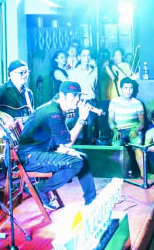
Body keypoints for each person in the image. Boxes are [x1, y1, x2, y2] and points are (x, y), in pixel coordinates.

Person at [17, 81, 96, 209]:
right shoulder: (53, 113)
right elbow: (68, 142)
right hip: (30, 158)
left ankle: (91, 200)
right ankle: (39, 189)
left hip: (42, 151)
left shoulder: (56, 107)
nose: (77, 99)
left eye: (79, 95)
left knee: (83, 157)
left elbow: (58, 139)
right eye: (74, 95)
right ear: (62, 95)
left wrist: (64, 150)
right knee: (76, 162)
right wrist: (82, 119)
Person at [108, 78, 146, 178]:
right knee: (117, 148)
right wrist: (115, 130)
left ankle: (143, 175)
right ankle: (122, 175)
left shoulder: (137, 103)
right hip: (119, 130)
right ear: (121, 88)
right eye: (125, 88)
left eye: (130, 88)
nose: (128, 90)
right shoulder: (114, 102)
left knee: (138, 148)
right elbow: (110, 120)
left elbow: (142, 122)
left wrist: (136, 130)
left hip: (133, 129)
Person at [67, 47, 99, 143]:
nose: (86, 58)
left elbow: (95, 87)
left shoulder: (95, 71)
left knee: (89, 129)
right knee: (79, 129)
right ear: (79, 57)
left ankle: (89, 149)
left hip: (91, 102)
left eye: (88, 55)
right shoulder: (74, 72)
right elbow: (70, 91)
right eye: (84, 55)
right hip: (79, 103)